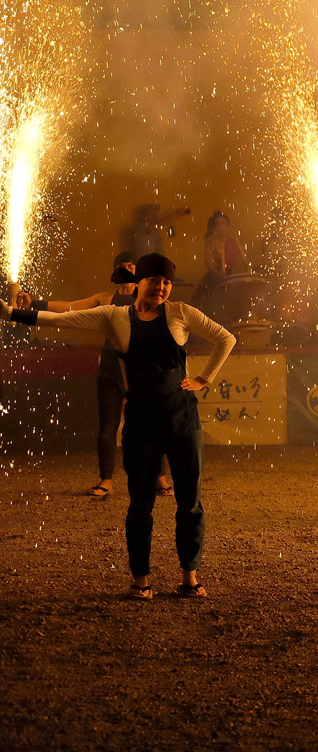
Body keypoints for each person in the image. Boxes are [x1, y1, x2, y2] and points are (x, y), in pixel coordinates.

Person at [2, 253, 236, 600]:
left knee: (190, 502)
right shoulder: (114, 316)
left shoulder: (181, 313)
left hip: (182, 420)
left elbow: (226, 338)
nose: (161, 287)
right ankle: (141, 581)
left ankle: (190, 576)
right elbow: (62, 319)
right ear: (138, 282)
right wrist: (12, 314)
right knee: (140, 504)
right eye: (154, 280)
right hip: (141, 421)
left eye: (166, 282)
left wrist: (204, 378)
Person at [16, 253, 172, 498]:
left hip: (141, 372)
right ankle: (106, 480)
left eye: (132, 266)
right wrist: (34, 303)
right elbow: (68, 308)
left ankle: (160, 478)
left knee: (152, 425)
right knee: (108, 427)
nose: (128, 270)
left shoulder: (150, 299)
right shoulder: (105, 299)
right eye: (123, 266)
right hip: (110, 370)